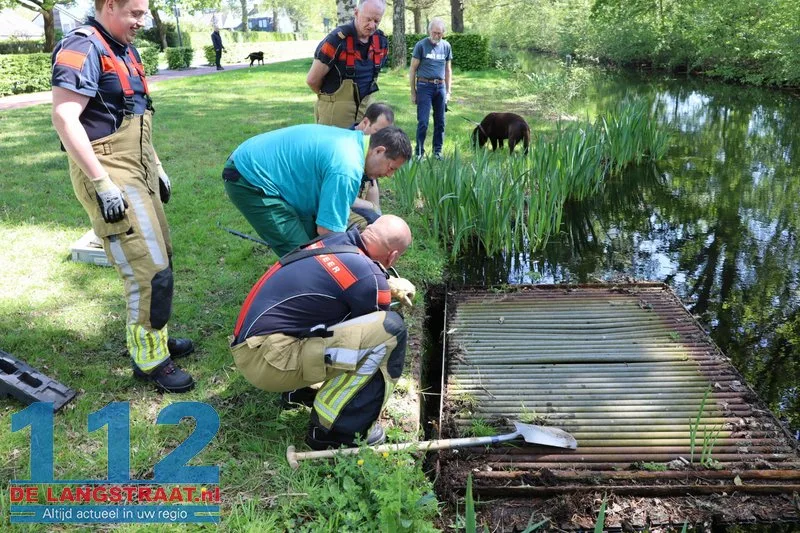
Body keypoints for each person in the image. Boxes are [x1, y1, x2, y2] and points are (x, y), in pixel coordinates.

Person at [51, 0, 195, 393]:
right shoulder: (82, 46)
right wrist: (101, 183)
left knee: (161, 260)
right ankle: (149, 360)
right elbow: (65, 117)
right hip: (108, 169)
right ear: (109, 6)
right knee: (144, 268)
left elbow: (136, 113)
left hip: (139, 165)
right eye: (135, 13)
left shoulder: (123, 48)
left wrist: (158, 165)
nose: (141, 21)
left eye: (144, 13)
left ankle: (156, 339)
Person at [230, 215, 417, 449]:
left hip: (251, 345)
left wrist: (386, 283)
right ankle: (335, 431)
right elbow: (369, 326)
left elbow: (341, 282)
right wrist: (384, 286)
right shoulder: (369, 277)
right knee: (388, 332)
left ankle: (299, 390)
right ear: (393, 256)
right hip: (269, 363)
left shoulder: (335, 241)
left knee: (333, 315)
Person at [223, 125, 411, 257]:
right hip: (249, 178)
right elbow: (329, 231)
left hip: (263, 166)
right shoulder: (347, 167)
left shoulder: (354, 142)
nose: (389, 175)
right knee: (304, 257)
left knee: (314, 243)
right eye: (391, 167)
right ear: (379, 150)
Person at [306, 0, 389, 128]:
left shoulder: (381, 42)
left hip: (365, 112)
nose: (372, 25)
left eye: (377, 21)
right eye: (368, 19)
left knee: (362, 147)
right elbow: (312, 80)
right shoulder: (336, 40)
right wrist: (330, 99)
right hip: (335, 113)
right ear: (356, 12)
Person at [409, 18, 453, 160]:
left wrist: (448, 91)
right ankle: (419, 153)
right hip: (424, 86)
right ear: (429, 31)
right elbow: (412, 69)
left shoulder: (446, 46)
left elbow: (448, 70)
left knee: (440, 122)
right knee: (423, 122)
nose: (437, 36)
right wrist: (413, 92)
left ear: (443, 33)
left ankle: (437, 152)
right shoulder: (421, 45)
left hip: (440, 87)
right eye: (434, 32)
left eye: (439, 33)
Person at [350, 102, 394, 225]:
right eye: (377, 132)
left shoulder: (373, 153)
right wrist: (371, 206)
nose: (383, 141)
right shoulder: (347, 149)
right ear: (365, 123)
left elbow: (373, 192)